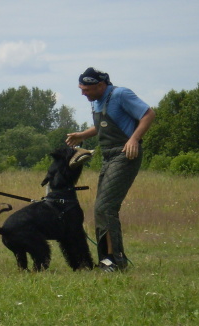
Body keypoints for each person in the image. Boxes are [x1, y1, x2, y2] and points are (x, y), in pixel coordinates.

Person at [66, 67, 155, 272]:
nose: (82, 93)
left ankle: (116, 261)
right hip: (107, 155)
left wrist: (134, 139)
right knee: (101, 208)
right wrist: (83, 135)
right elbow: (104, 125)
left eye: (86, 89)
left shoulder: (121, 94)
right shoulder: (97, 101)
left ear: (100, 85)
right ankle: (107, 260)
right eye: (81, 88)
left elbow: (149, 114)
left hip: (125, 153)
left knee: (105, 207)